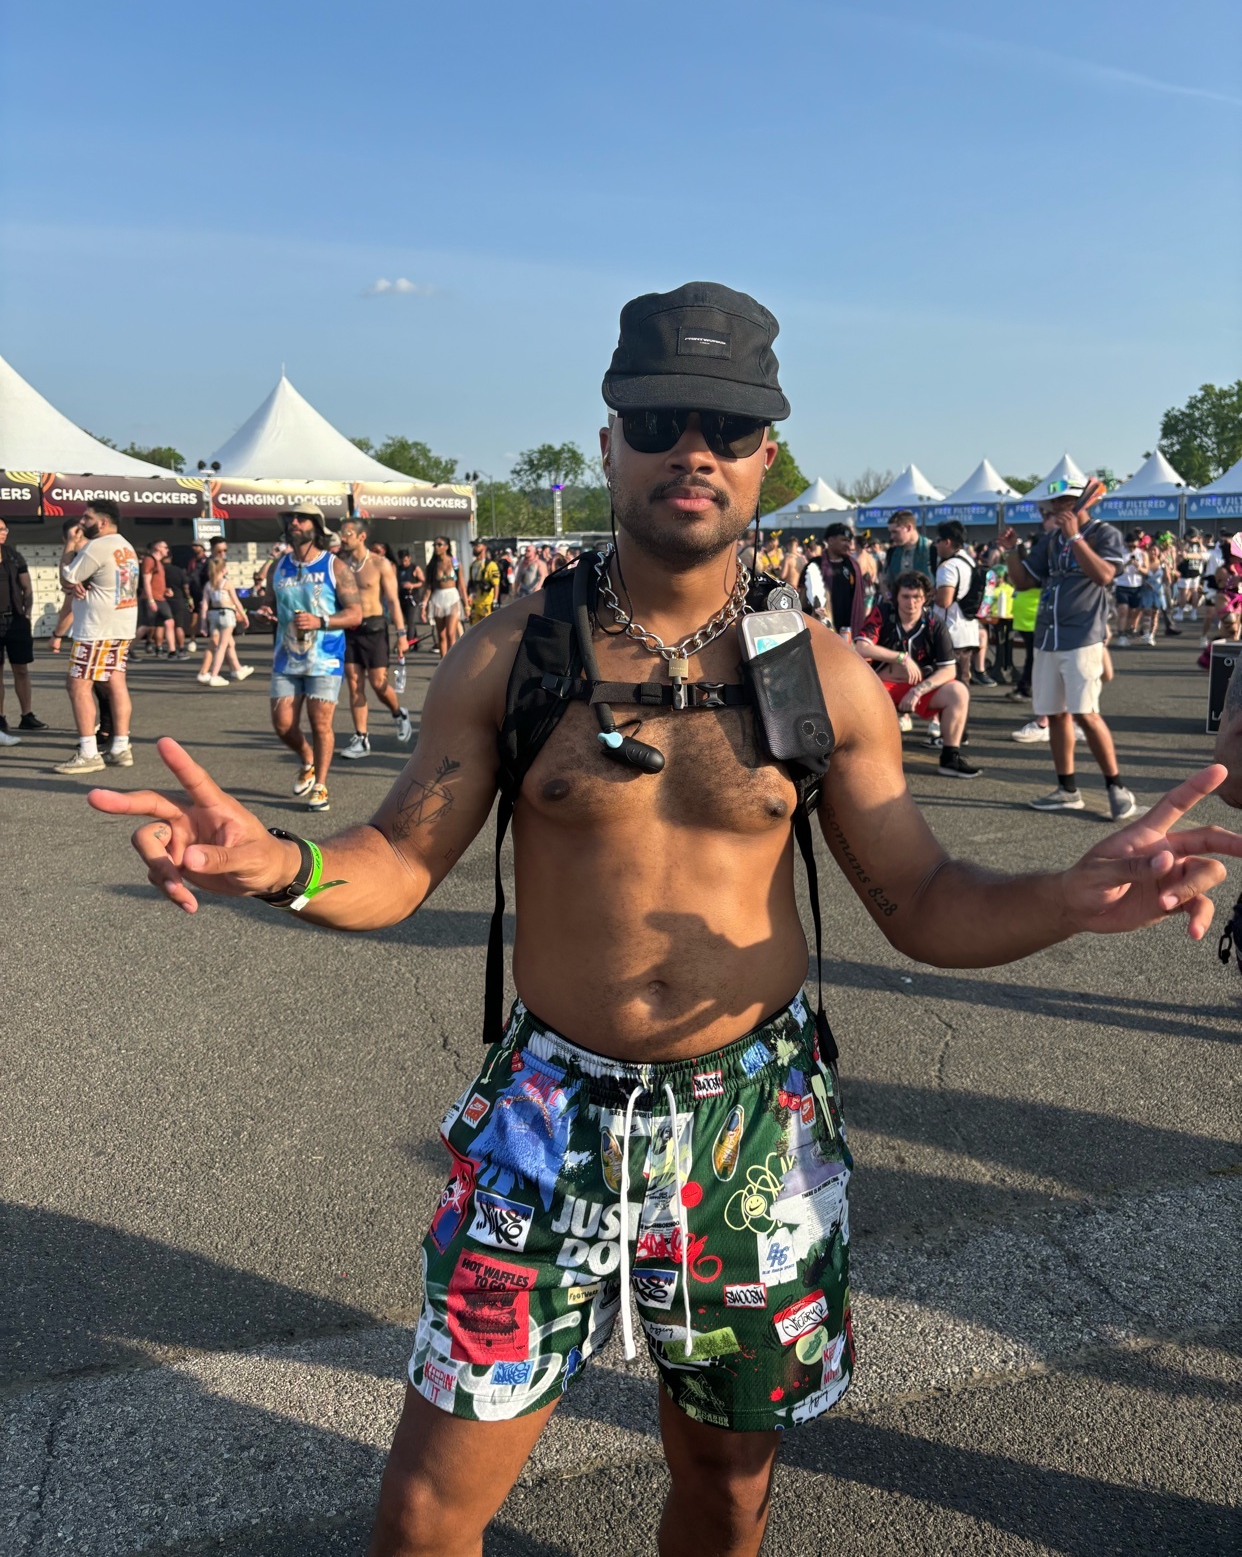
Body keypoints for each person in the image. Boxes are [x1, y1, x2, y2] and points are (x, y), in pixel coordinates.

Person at [90, 279, 1241, 1557]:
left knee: (725, 1489)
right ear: (608, 444)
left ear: (763, 460)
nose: (693, 448)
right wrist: (283, 866)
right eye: (660, 417)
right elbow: (400, 863)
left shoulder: (812, 674)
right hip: (547, 1121)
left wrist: (1069, 900)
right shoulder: (516, 652)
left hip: (751, 1122)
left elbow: (921, 902)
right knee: (423, 1516)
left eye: (730, 429)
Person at [1004, 485, 1139, 819]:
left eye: (1052, 510)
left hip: (1082, 637)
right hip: (1047, 637)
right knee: (1056, 714)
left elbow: (1105, 575)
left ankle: (1117, 787)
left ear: (1073, 504)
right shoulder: (1050, 540)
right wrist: (1012, 550)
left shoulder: (1103, 533)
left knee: (1086, 714)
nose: (1047, 516)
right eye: (1047, 511)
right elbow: (1023, 582)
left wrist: (1076, 538)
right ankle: (1067, 790)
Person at [268, 505, 362, 813]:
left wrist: (319, 621)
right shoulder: (278, 566)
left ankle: (320, 785)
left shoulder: (335, 566)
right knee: (283, 724)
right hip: (287, 656)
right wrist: (267, 614)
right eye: (290, 519)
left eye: (301, 518)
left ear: (316, 527)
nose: (294, 522)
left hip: (325, 657)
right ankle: (307, 759)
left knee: (321, 723)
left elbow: (355, 614)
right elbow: (273, 605)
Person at [855, 572, 980, 777]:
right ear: (896, 597)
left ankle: (950, 757)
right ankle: (861, 758)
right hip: (881, 686)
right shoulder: (884, 613)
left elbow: (949, 669)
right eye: (905, 596)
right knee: (856, 693)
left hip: (917, 689)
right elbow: (861, 647)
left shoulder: (934, 623)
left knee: (958, 691)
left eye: (917, 597)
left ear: (925, 598)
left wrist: (917, 691)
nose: (911, 603)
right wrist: (902, 658)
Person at [54, 500, 139, 773]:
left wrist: (69, 544)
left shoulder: (97, 545)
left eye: (87, 517)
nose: (81, 522)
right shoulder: (125, 545)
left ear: (102, 522)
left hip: (97, 629)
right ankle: (120, 746)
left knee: (78, 685)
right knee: (115, 682)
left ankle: (89, 753)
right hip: (121, 624)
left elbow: (67, 578)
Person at [337, 518, 413, 761]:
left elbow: (392, 601)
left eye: (347, 533)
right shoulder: (339, 565)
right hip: (349, 630)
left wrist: (402, 636)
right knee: (354, 682)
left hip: (375, 628)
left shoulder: (381, 564)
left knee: (378, 683)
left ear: (361, 537)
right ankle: (361, 738)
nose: (343, 538)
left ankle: (398, 713)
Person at [0, 517, 46, 742]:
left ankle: (27, 715)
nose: (3, 533)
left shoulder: (13, 556)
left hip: (16, 621)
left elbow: (27, 588)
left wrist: (26, 614)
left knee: (21, 669)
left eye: (4, 529)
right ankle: (0, 718)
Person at [932, 521, 988, 686]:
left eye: (938, 541)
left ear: (947, 542)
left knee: (946, 686)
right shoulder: (971, 562)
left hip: (950, 633)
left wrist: (929, 596)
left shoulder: (948, 566)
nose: (936, 545)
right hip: (968, 631)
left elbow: (944, 601)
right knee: (962, 684)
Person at [197, 557, 254, 686]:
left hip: (213, 614)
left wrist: (203, 623)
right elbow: (236, 601)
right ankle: (214, 675)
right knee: (222, 646)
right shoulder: (226, 583)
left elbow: (205, 605)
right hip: (227, 614)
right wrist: (243, 616)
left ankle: (237, 669)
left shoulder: (208, 585)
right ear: (223, 570)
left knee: (229, 643)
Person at [820, 524, 867, 638]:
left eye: (849, 540)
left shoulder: (852, 566)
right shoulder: (815, 565)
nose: (848, 544)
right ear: (830, 540)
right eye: (844, 540)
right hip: (824, 624)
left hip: (847, 627)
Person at [425, 537, 468, 659]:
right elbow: (428, 587)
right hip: (438, 598)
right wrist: (424, 604)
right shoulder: (433, 565)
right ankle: (443, 663)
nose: (436, 547)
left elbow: (461, 585)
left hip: (452, 597)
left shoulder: (454, 562)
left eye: (439, 544)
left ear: (447, 546)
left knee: (450, 633)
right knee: (441, 635)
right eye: (435, 545)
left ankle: (452, 662)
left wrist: (466, 605)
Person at [139, 541, 178, 661]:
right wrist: (150, 600)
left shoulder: (159, 563)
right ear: (158, 548)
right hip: (152, 598)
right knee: (146, 626)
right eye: (165, 547)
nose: (167, 550)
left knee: (169, 622)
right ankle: (128, 650)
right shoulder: (149, 560)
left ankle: (172, 651)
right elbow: (146, 580)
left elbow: (155, 582)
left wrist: (165, 590)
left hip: (160, 598)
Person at [883, 510, 934, 591]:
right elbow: (885, 581)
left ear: (908, 528)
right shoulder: (892, 552)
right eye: (891, 532)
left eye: (895, 532)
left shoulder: (931, 549)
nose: (892, 537)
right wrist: (888, 596)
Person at [466, 539, 502, 626]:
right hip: (475, 604)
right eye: (474, 546)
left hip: (487, 603)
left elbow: (496, 584)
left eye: (477, 546)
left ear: (485, 547)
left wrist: (495, 601)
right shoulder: (473, 565)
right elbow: (471, 584)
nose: (474, 548)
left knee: (487, 628)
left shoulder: (491, 565)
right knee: (474, 630)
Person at [396, 550, 425, 646]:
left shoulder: (415, 568)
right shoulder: (398, 568)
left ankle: (409, 642)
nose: (404, 563)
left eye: (406, 561)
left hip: (412, 598)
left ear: (409, 558)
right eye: (402, 561)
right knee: (408, 621)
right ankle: (416, 642)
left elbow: (422, 582)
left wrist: (412, 585)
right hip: (402, 597)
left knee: (410, 621)